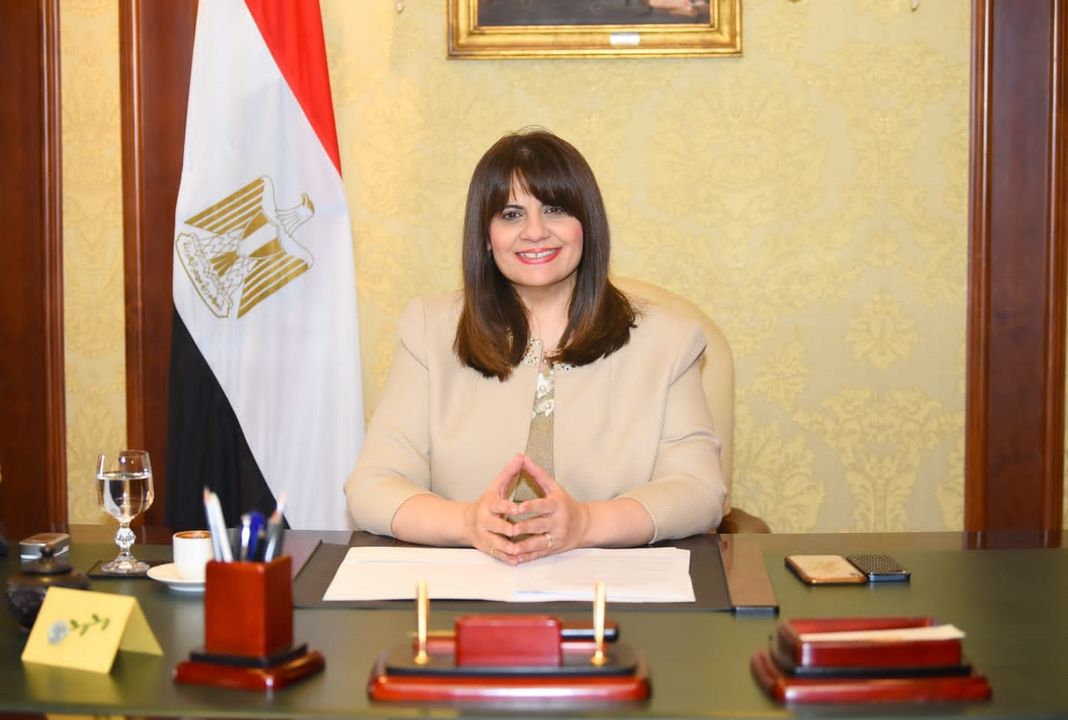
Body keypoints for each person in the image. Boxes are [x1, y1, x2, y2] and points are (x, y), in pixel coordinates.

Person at [345, 129, 726, 564]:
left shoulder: (670, 339)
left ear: (587, 225)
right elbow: (372, 485)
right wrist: (467, 523)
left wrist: (585, 524)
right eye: (511, 214)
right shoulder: (429, 330)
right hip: (468, 585)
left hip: (608, 586)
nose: (535, 231)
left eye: (554, 209)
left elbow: (698, 490)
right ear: (486, 236)